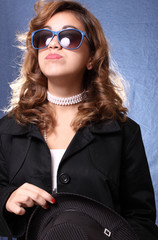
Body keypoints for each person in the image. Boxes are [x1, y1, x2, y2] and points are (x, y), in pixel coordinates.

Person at [0, 0, 158, 239]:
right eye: (44, 37)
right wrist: (6, 199)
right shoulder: (7, 129)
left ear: (91, 57)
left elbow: (142, 219)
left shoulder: (124, 132)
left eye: (69, 37)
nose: (53, 43)